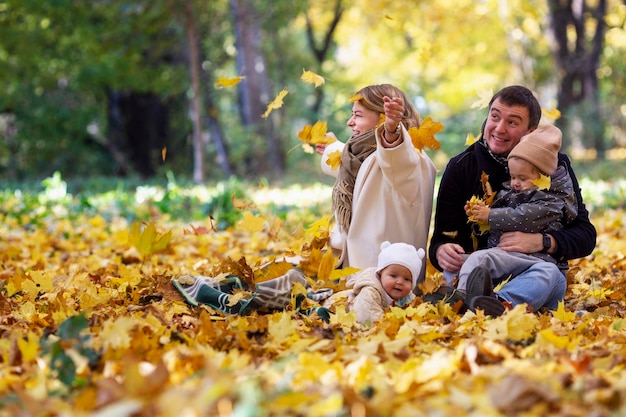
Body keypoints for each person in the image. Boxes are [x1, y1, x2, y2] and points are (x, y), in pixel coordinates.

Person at [429, 85, 596, 315]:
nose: (499, 128)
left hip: (537, 270)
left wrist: (544, 241)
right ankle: (468, 298)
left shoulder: (552, 166)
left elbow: (585, 234)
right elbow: (440, 238)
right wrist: (441, 251)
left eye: (512, 122)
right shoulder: (461, 167)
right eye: (495, 117)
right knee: (475, 262)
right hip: (485, 267)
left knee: (550, 276)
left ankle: (497, 303)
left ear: (530, 131)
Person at [317, 84, 437, 282]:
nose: (350, 122)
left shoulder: (410, 160)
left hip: (387, 279)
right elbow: (355, 167)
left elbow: (397, 162)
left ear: (383, 117)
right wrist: (333, 147)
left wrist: (391, 130)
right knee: (294, 275)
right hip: (351, 270)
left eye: (358, 115)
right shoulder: (365, 153)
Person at [455, 124, 578, 315]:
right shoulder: (509, 193)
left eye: (522, 177)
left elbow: (525, 217)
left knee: (548, 275)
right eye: (512, 176)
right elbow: (495, 224)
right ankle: (462, 297)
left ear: (544, 176)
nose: (515, 183)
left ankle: (501, 303)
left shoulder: (552, 201)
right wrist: (479, 215)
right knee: (478, 257)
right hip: (508, 258)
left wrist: (491, 215)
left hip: (540, 264)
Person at [324, 241, 425, 323]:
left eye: (407, 279)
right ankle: (319, 312)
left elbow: (414, 313)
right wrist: (388, 324)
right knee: (327, 314)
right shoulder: (370, 292)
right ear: (380, 274)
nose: (400, 282)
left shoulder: (408, 298)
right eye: (393, 276)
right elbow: (366, 316)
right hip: (338, 307)